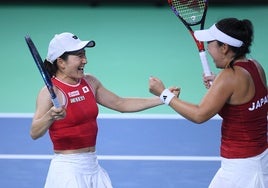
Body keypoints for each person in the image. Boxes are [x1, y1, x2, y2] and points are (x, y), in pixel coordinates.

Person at [30, 32, 166, 188]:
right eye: (79, 56)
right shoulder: (50, 92)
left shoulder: (89, 82)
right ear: (61, 62)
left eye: (84, 54)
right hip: (67, 170)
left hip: (93, 166)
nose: (85, 60)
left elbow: (120, 103)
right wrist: (50, 116)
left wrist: (163, 98)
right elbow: (34, 132)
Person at [149, 18, 268, 188]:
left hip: (242, 170)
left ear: (224, 48)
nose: (207, 48)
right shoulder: (255, 66)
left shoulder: (229, 77)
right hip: (258, 160)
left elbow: (199, 114)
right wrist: (220, 92)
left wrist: (164, 94)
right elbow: (248, 108)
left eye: (210, 43)